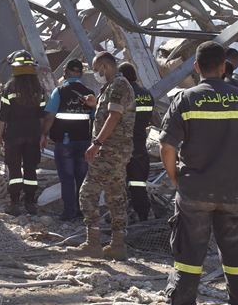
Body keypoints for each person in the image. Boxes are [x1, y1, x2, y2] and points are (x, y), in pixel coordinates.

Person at [155, 41, 238, 305]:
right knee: (236, 263)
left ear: (196, 68)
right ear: (224, 67)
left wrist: (175, 179)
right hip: (236, 195)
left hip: (195, 192)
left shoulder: (186, 99)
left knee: (187, 259)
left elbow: (166, 146)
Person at [76, 52, 135, 259]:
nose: (95, 73)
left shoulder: (118, 85)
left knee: (87, 193)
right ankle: (118, 245)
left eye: (96, 68)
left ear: (104, 66)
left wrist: (97, 143)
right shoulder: (112, 87)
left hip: (109, 150)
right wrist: (96, 103)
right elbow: (111, 111)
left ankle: (93, 242)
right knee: (115, 195)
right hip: (117, 150)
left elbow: (115, 116)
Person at [40, 59, 94, 222]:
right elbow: (94, 117)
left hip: (64, 142)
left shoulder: (59, 91)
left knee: (67, 178)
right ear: (81, 74)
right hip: (84, 141)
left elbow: (49, 116)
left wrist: (43, 135)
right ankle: (82, 211)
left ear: (67, 72)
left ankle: (69, 212)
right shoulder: (89, 93)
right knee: (82, 177)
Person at [0, 51, 45, 216]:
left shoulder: (10, 87)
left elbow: (3, 114)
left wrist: (0, 134)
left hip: (13, 134)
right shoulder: (39, 88)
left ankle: (14, 203)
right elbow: (42, 115)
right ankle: (30, 203)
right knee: (31, 169)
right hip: (33, 134)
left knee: (15, 169)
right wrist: (42, 135)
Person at [118, 62, 154, 221]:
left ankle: (133, 214)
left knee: (126, 182)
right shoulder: (147, 94)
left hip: (124, 144)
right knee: (139, 182)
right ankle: (142, 212)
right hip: (140, 142)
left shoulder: (123, 95)